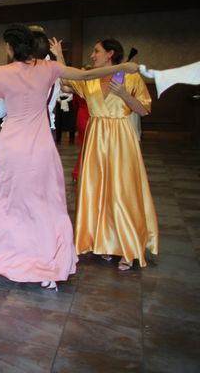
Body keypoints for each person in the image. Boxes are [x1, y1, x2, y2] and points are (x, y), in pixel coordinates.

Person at [0, 24, 140, 290]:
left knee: (11, 202)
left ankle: (12, 257)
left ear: (10, 47)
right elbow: (87, 75)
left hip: (11, 147)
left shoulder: (0, 73)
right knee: (45, 203)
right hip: (40, 146)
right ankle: (47, 264)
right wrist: (122, 67)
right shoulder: (48, 68)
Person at [62, 38, 158, 270]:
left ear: (110, 54)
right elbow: (65, 83)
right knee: (98, 189)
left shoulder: (130, 77)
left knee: (122, 190)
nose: (92, 55)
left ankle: (129, 247)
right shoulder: (91, 76)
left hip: (120, 137)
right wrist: (58, 55)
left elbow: (144, 109)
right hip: (95, 138)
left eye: (96, 51)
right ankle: (104, 242)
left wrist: (125, 95)